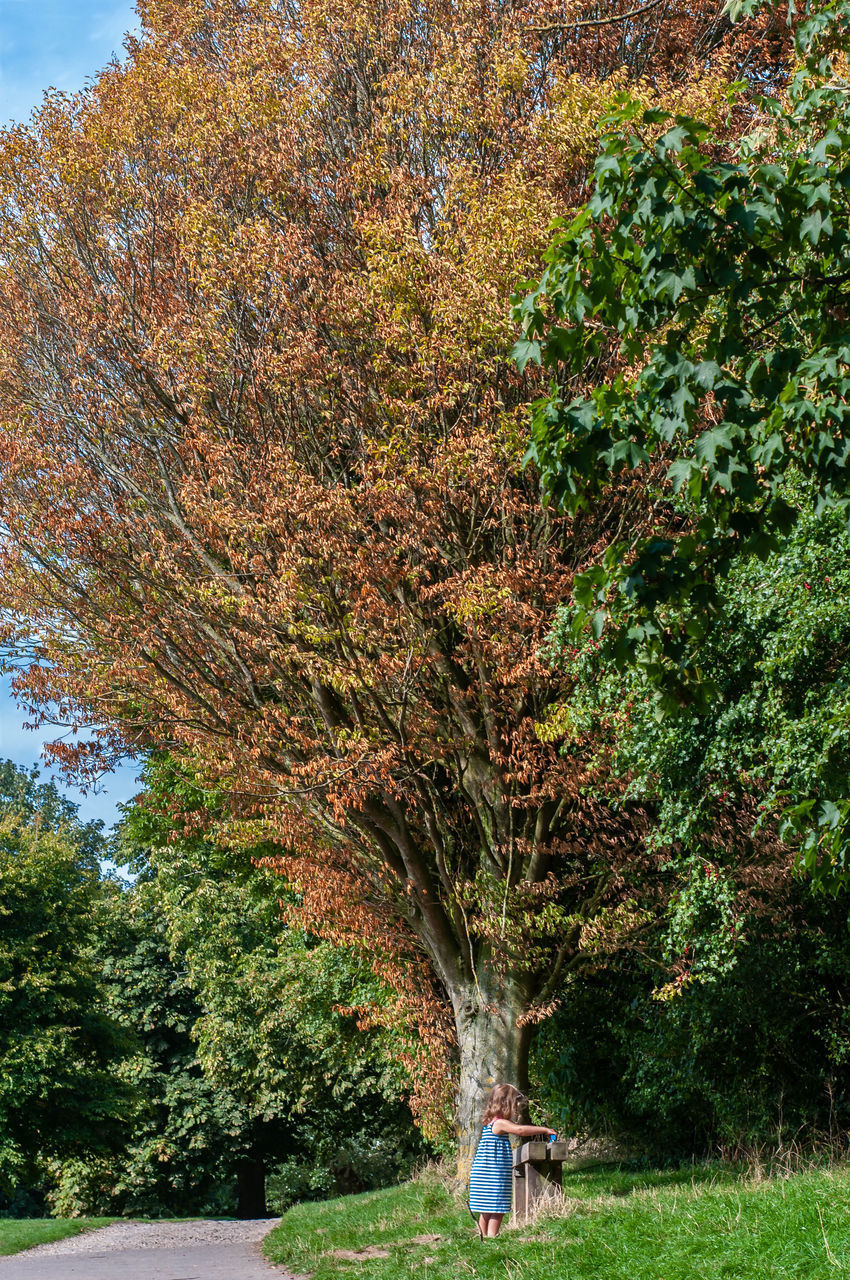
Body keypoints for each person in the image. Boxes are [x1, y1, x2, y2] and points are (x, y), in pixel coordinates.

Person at [468, 1083, 557, 1238]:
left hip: (483, 1174)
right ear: (505, 1104)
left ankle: (482, 1239)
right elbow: (520, 1130)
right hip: (493, 1175)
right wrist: (544, 1130)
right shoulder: (500, 1123)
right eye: (515, 1104)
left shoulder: (489, 1123)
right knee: (499, 1209)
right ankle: (492, 1237)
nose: (517, 1108)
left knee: (487, 1210)